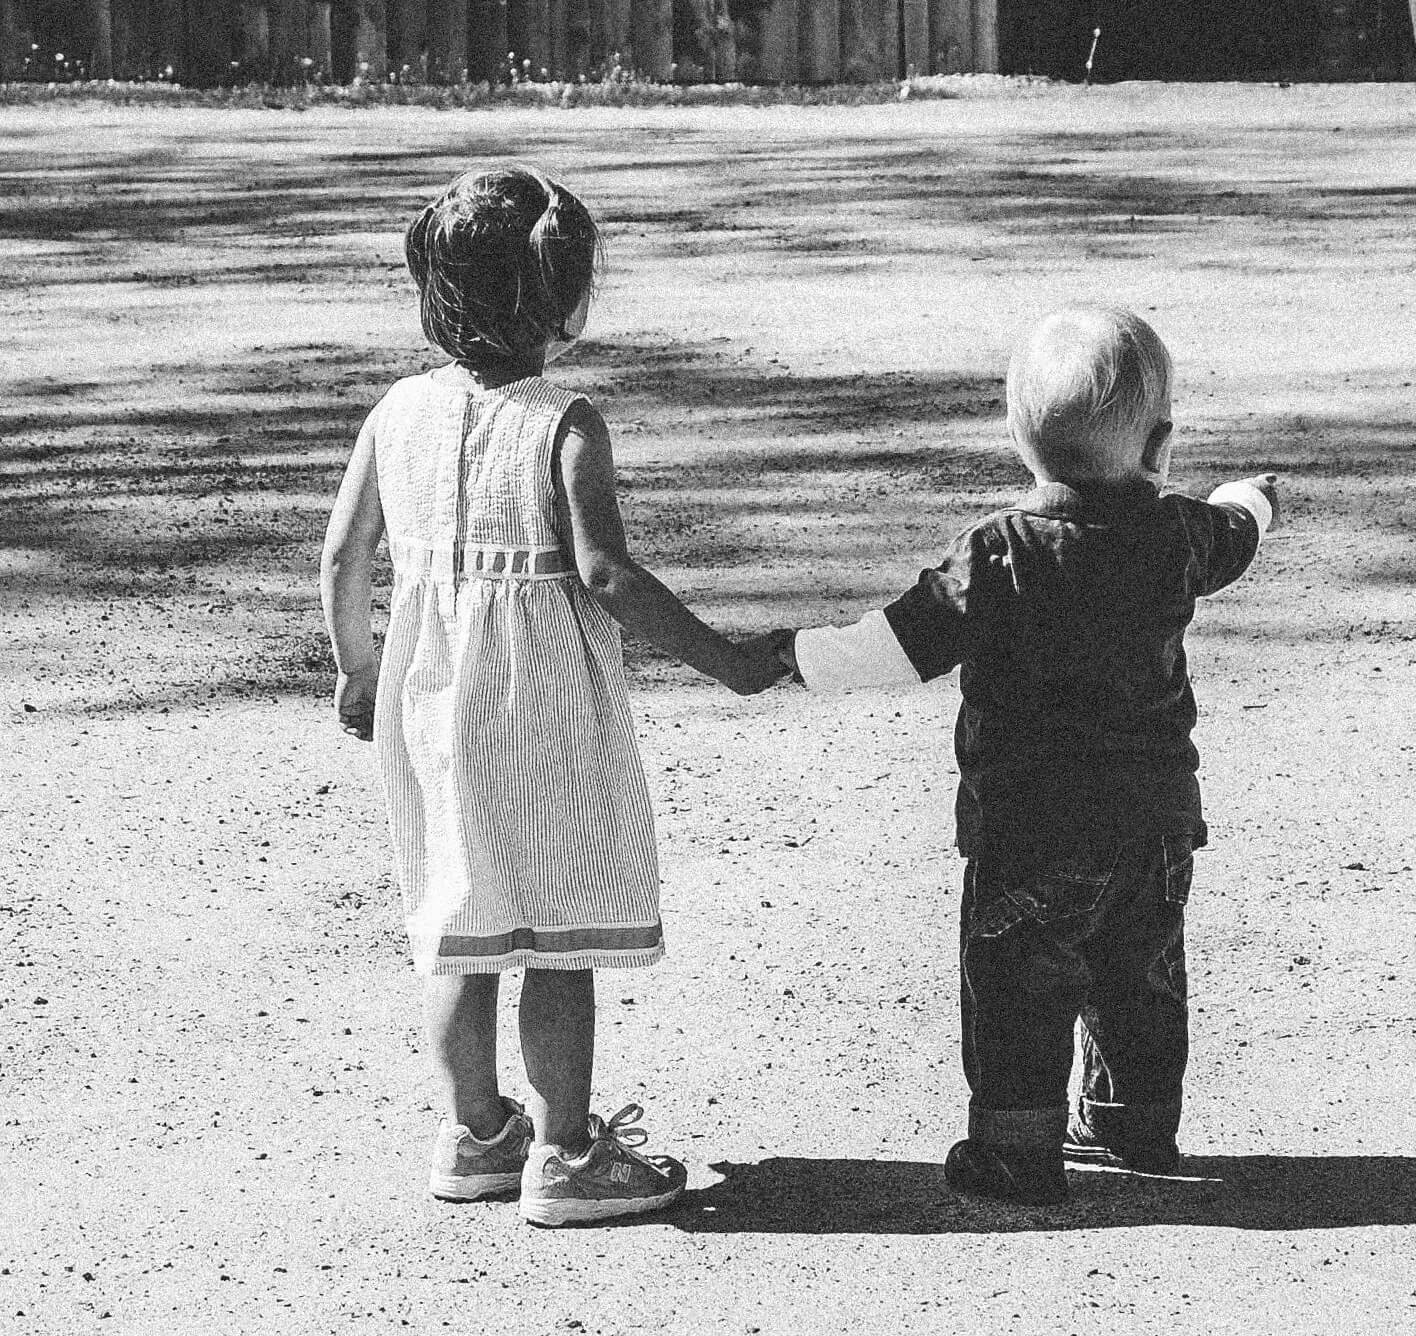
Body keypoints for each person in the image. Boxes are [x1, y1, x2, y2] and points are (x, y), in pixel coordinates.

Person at [320, 165, 782, 1227]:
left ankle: (477, 1134)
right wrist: (727, 658)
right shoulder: (564, 422)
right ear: (566, 302)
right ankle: (567, 1153)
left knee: (462, 918)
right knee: (557, 932)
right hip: (543, 714)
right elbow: (606, 574)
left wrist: (358, 671)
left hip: (428, 703)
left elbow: (345, 558)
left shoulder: (397, 412)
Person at [764, 305, 1278, 1206]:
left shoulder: (999, 553)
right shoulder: (1178, 536)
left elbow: (899, 642)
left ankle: (1016, 1149)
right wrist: (1254, 496)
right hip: (1153, 826)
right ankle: (1133, 1119)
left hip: (1029, 830)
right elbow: (1235, 532)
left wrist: (794, 655)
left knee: (1018, 985)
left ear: (1020, 442)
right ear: (1160, 445)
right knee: (1140, 976)